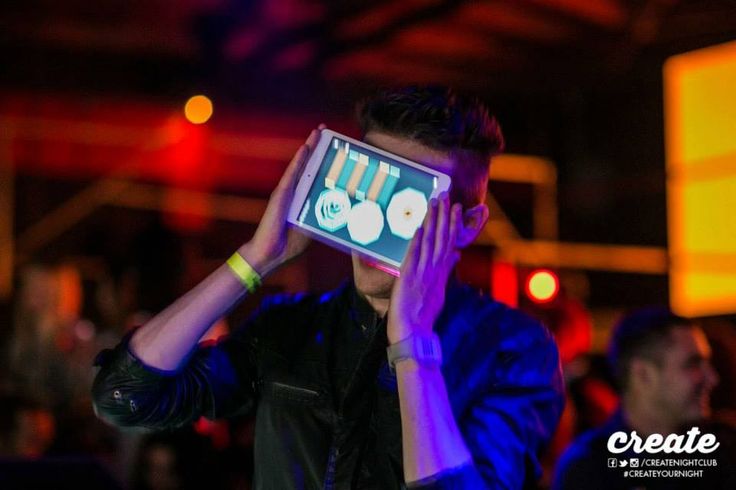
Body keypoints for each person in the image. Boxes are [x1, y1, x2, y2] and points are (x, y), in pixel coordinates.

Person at [92, 86, 565, 489]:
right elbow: (125, 397)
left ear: (467, 224)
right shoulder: (288, 329)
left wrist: (412, 345)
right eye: (373, 188)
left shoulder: (512, 350)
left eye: (411, 206)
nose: (383, 225)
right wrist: (259, 258)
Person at [553, 307, 736, 490]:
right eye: (693, 364)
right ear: (642, 374)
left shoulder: (723, 453)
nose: (712, 378)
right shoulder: (590, 470)